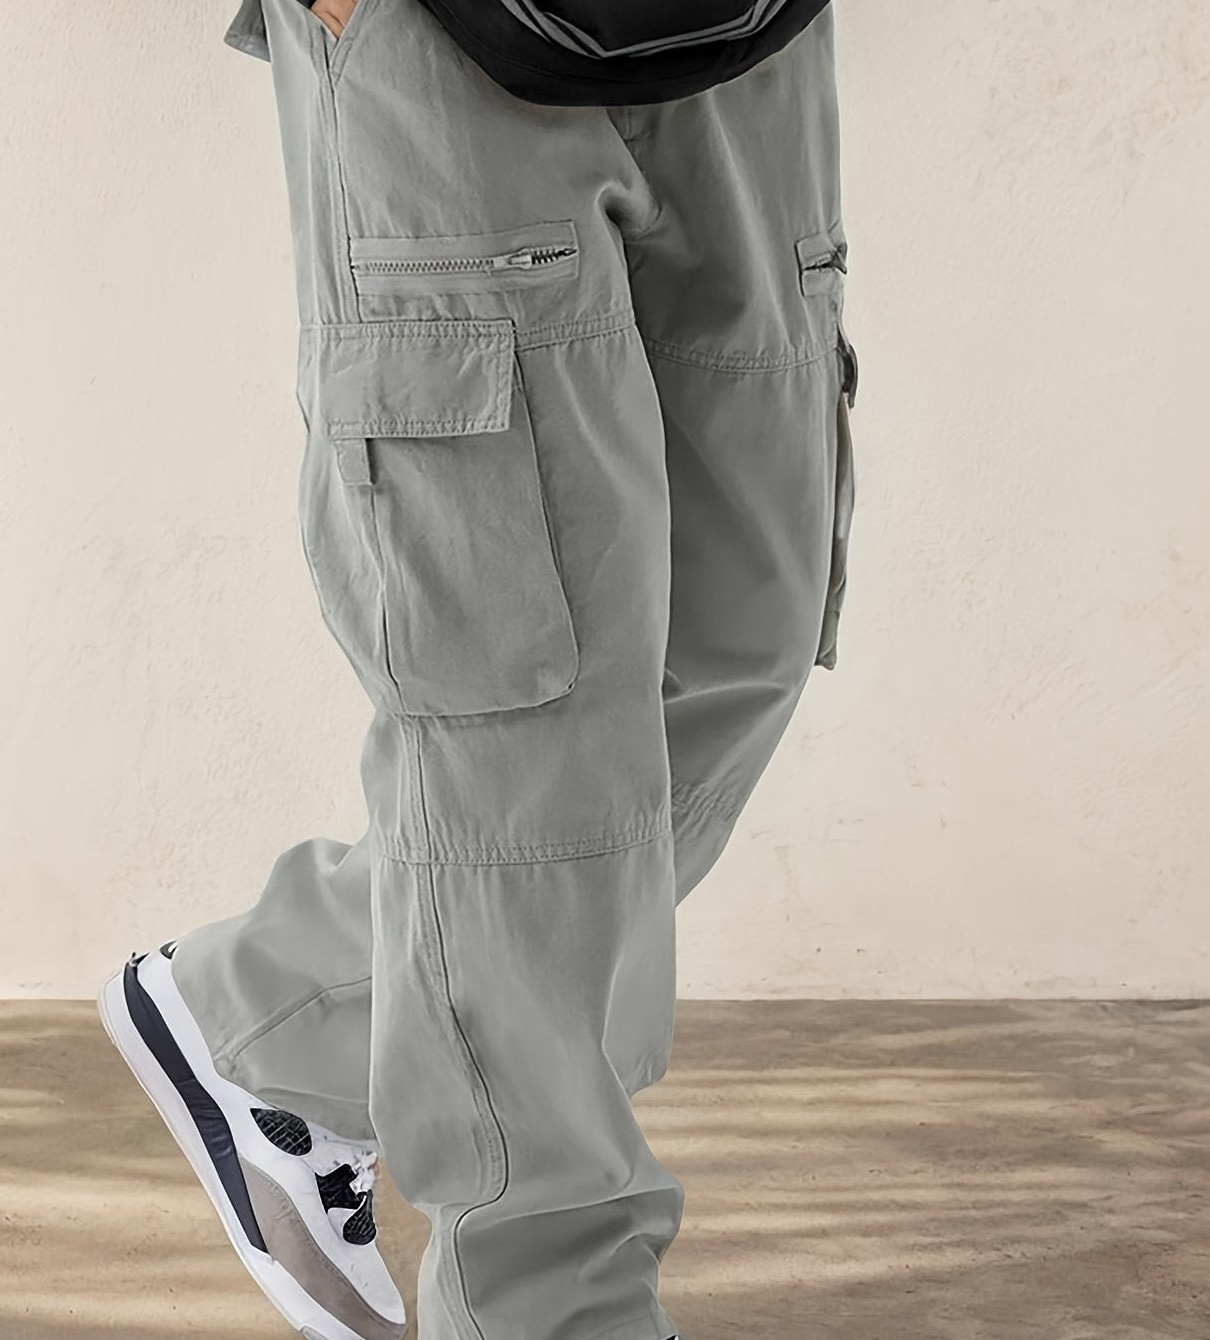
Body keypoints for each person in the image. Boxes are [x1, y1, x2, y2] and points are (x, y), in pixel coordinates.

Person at [97, 1, 857, 1338]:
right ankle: (546, 1302)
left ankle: (282, 1008)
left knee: (739, 642)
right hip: (443, 46)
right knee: (525, 708)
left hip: (747, 37)